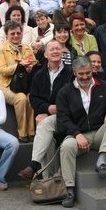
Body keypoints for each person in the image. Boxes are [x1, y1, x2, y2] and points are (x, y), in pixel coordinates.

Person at [56, 56, 106, 208]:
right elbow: (63, 118)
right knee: (66, 147)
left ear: (92, 70)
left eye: (88, 73)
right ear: (74, 73)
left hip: (100, 134)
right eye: (81, 74)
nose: (85, 77)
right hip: (78, 135)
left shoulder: (104, 86)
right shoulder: (65, 92)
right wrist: (77, 134)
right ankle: (70, 190)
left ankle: (102, 160)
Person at [18, 40, 73, 180]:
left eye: (58, 49)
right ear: (46, 54)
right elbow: (34, 98)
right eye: (51, 50)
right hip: (48, 117)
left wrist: (56, 109)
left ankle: (34, 166)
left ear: (62, 52)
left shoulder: (71, 73)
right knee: (46, 137)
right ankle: (48, 180)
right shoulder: (39, 74)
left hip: (67, 117)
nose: (55, 51)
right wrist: (47, 108)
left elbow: (75, 98)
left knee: (44, 126)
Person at [0, 20, 37, 143]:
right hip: (5, 85)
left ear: (22, 33)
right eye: (12, 33)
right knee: (21, 98)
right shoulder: (1, 49)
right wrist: (19, 65)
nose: (15, 36)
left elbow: (34, 63)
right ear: (7, 35)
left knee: (31, 98)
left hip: (23, 84)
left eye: (18, 33)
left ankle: (32, 132)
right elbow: (2, 70)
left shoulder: (26, 47)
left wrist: (30, 67)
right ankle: (22, 133)